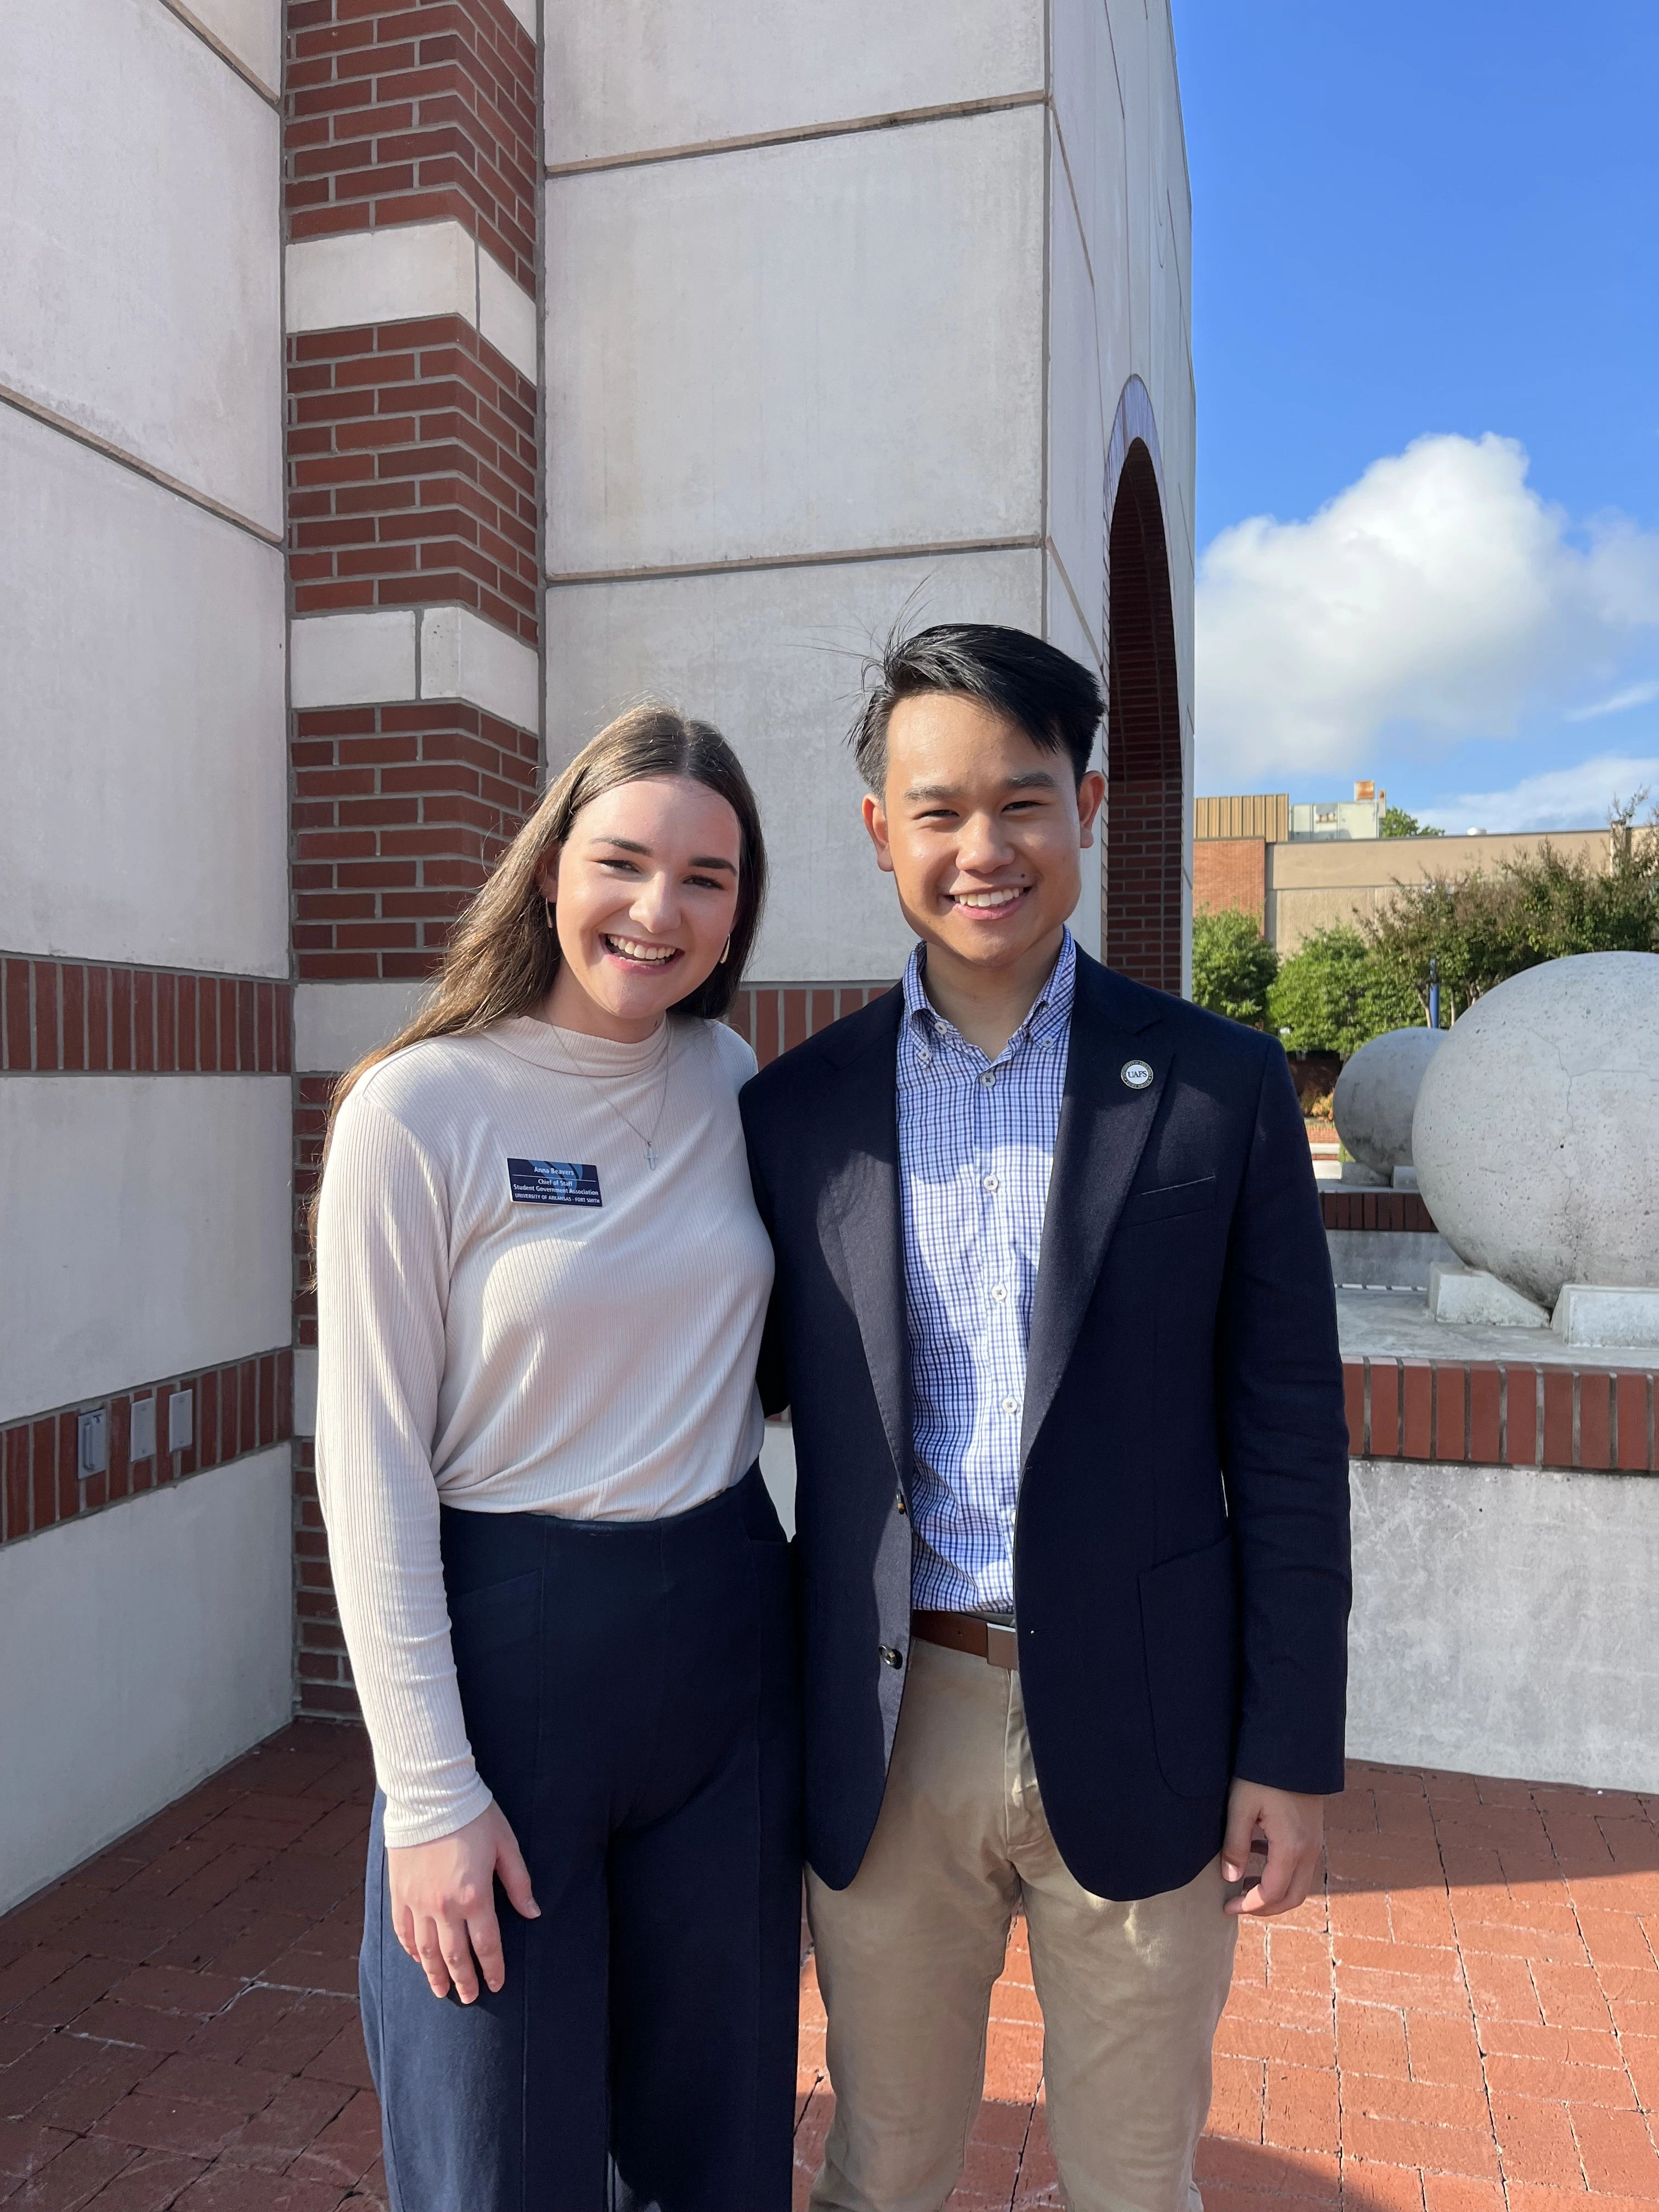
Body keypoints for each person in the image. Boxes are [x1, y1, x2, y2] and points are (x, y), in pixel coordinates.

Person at [740, 624, 1351, 2212]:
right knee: (880, 2167)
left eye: (1022, 801)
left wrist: (1290, 1749)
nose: (982, 848)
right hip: (894, 1724)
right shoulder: (794, 1112)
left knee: (1136, 2182)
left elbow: (1290, 1444)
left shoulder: (1218, 1087)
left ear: (1083, 806)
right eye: (937, 810)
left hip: (1150, 1718)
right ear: (879, 830)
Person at [314, 706, 800, 2212]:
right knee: (498, 2155)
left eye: (707, 878)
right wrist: (428, 1794)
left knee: (718, 2146)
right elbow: (370, 1467)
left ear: (740, 911)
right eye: (624, 862)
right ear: (547, 873)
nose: (659, 910)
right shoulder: (419, 1109)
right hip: (510, 1665)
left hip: (723, 1655)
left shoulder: (731, 1082)